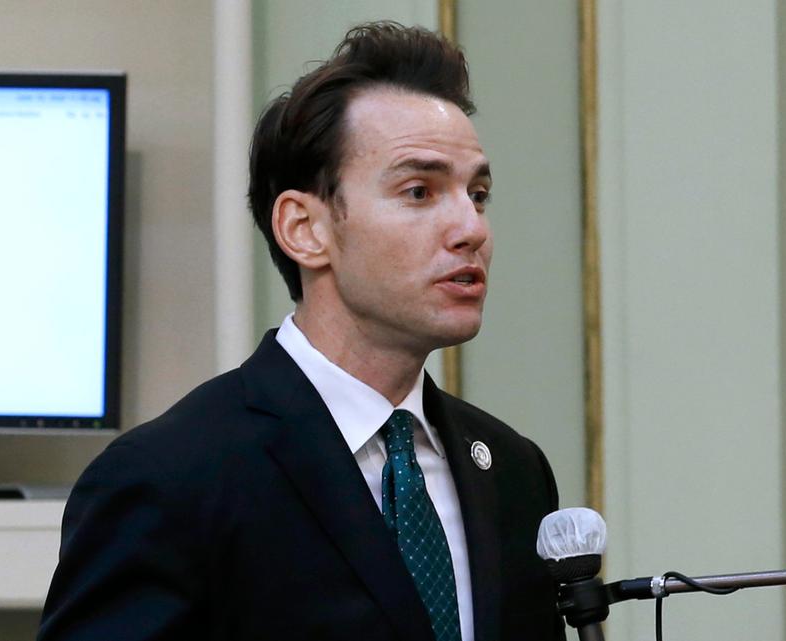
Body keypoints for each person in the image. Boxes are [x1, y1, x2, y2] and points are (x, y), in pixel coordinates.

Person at [37, 21, 564, 641]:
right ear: (304, 229)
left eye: (477, 194)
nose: (470, 227)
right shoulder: (170, 478)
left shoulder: (513, 470)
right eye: (420, 191)